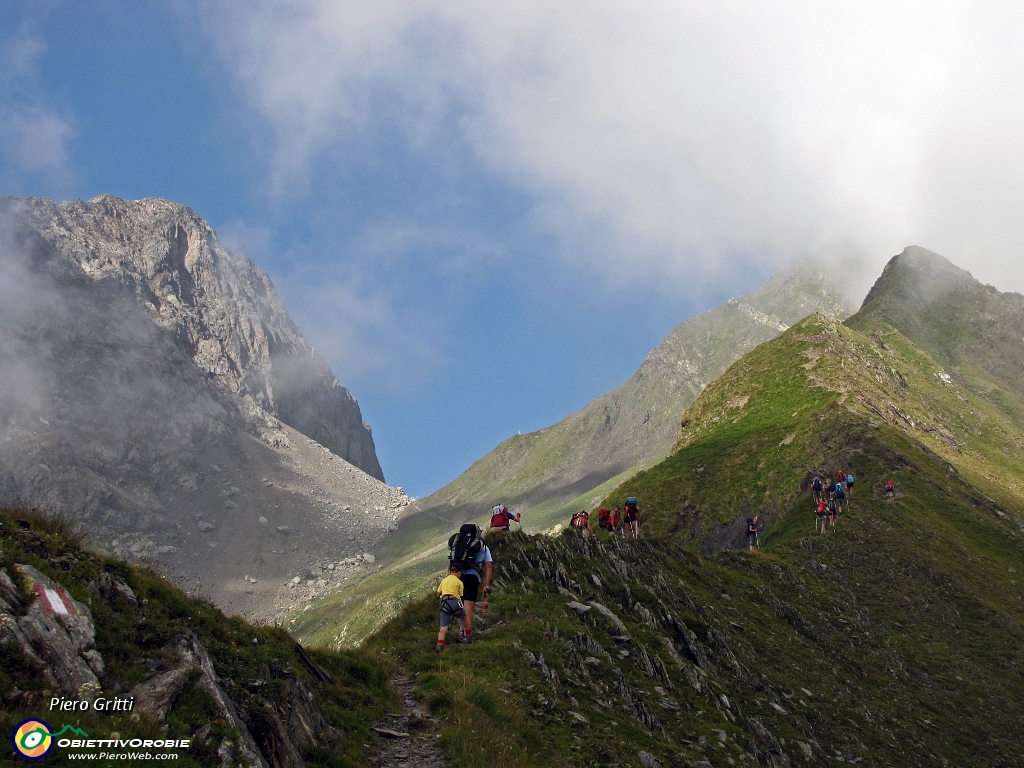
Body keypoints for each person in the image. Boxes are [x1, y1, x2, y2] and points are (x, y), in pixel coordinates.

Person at [459, 532, 493, 644]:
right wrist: (486, 584)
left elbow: (451, 564)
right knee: (468, 606)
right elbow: (488, 566)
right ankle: (466, 635)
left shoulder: (459, 544)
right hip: (472, 578)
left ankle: (460, 632)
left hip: (457, 577)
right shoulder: (482, 547)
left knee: (459, 605)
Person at [436, 564, 465, 653]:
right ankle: (467, 635)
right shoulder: (459, 582)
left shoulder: (444, 581)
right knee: (464, 617)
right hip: (455, 602)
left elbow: (438, 594)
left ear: (449, 571)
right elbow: (460, 596)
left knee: (443, 628)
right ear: (459, 573)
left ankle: (439, 647)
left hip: (444, 604)